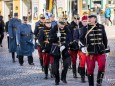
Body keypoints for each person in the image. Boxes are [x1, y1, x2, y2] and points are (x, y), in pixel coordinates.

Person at [80, 14, 109, 86]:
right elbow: (81, 39)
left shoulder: (101, 27)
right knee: (90, 68)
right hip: (90, 51)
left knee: (102, 65)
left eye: (91, 18)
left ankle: (99, 82)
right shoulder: (85, 28)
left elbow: (104, 38)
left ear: (95, 19)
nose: (89, 19)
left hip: (100, 50)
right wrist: (84, 46)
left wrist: (106, 48)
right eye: (89, 18)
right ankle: (91, 84)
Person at [49, 18, 71, 85]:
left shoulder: (67, 29)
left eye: (63, 24)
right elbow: (50, 39)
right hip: (56, 48)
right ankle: (57, 79)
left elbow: (69, 38)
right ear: (58, 23)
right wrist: (56, 36)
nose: (62, 26)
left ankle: (63, 77)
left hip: (64, 48)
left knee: (67, 64)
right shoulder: (53, 29)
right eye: (61, 24)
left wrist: (65, 45)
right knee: (55, 67)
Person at [74, 15, 88, 82]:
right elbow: (75, 37)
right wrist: (78, 41)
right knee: (82, 62)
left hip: (89, 48)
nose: (85, 22)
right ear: (81, 21)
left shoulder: (90, 28)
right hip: (81, 48)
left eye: (86, 21)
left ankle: (87, 72)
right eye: (84, 21)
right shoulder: (78, 29)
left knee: (89, 62)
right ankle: (83, 77)